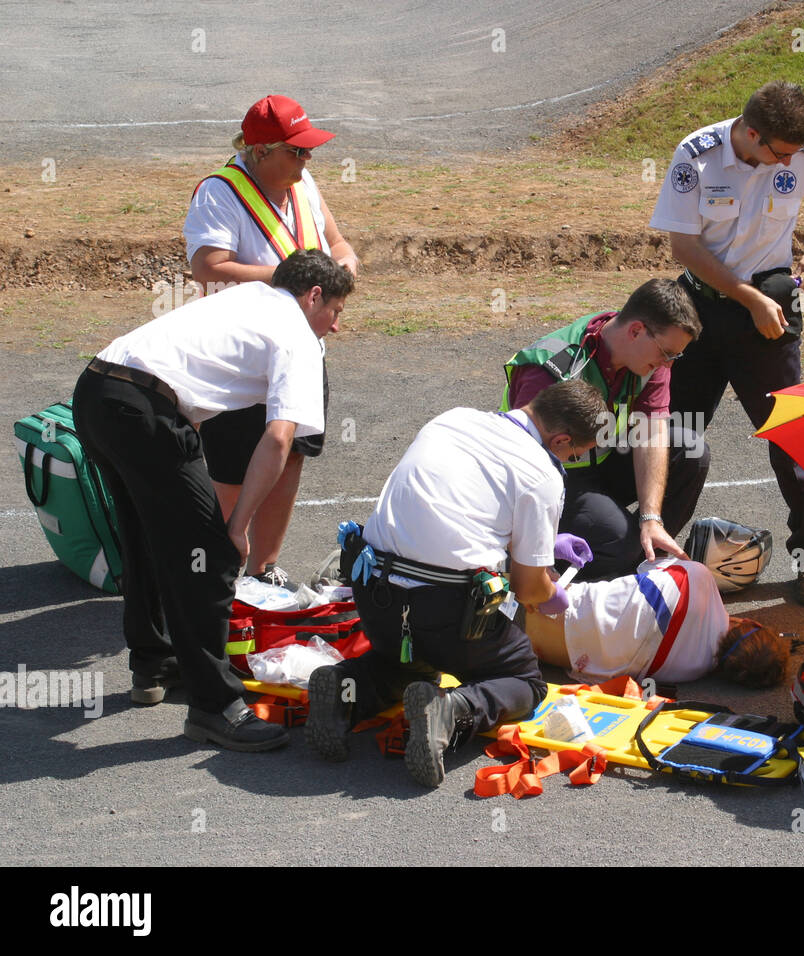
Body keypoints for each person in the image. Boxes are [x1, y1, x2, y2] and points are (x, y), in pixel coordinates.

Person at [72, 249, 354, 750]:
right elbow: (279, 440)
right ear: (314, 297)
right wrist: (238, 525)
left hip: (97, 391)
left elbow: (199, 380)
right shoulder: (297, 336)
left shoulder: (248, 296)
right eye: (335, 311)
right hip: (142, 411)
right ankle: (214, 706)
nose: (334, 327)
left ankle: (154, 662)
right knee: (213, 556)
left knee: (145, 534)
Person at [306, 379, 608, 788]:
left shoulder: (454, 419)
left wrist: (545, 543)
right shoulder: (542, 474)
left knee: (412, 664)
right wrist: (554, 594)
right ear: (561, 440)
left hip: (373, 592)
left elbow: (449, 513)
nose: (569, 462)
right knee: (526, 682)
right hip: (449, 612)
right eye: (574, 454)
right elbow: (527, 588)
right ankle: (454, 709)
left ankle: (349, 687)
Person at [649, 80, 804, 606]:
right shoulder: (697, 157)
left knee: (791, 432)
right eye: (780, 153)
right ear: (752, 134)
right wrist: (744, 298)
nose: (791, 161)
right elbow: (684, 245)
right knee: (678, 434)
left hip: (771, 308)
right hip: (701, 309)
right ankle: (652, 549)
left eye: (797, 153)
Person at [183, 94, 358, 588]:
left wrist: (345, 264)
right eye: (296, 151)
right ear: (261, 150)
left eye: (308, 151)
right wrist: (291, 279)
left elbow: (339, 244)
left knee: (291, 457)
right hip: (243, 359)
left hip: (303, 348)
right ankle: (211, 571)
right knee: (232, 472)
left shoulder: (303, 184)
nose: (307, 160)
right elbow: (208, 268)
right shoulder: (219, 191)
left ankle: (263, 569)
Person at [502, 278, 709, 581]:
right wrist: (533, 553)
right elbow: (526, 469)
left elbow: (651, 431)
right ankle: (562, 569)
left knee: (692, 450)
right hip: (555, 474)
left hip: (602, 457)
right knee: (617, 543)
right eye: (666, 353)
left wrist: (651, 519)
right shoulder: (550, 368)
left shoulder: (645, 358)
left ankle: (648, 554)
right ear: (636, 330)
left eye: (674, 357)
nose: (667, 365)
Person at [523, 557, 790, 688]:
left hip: (550, 601)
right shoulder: (690, 672)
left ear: (751, 622)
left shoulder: (699, 578)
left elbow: (644, 566)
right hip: (549, 650)